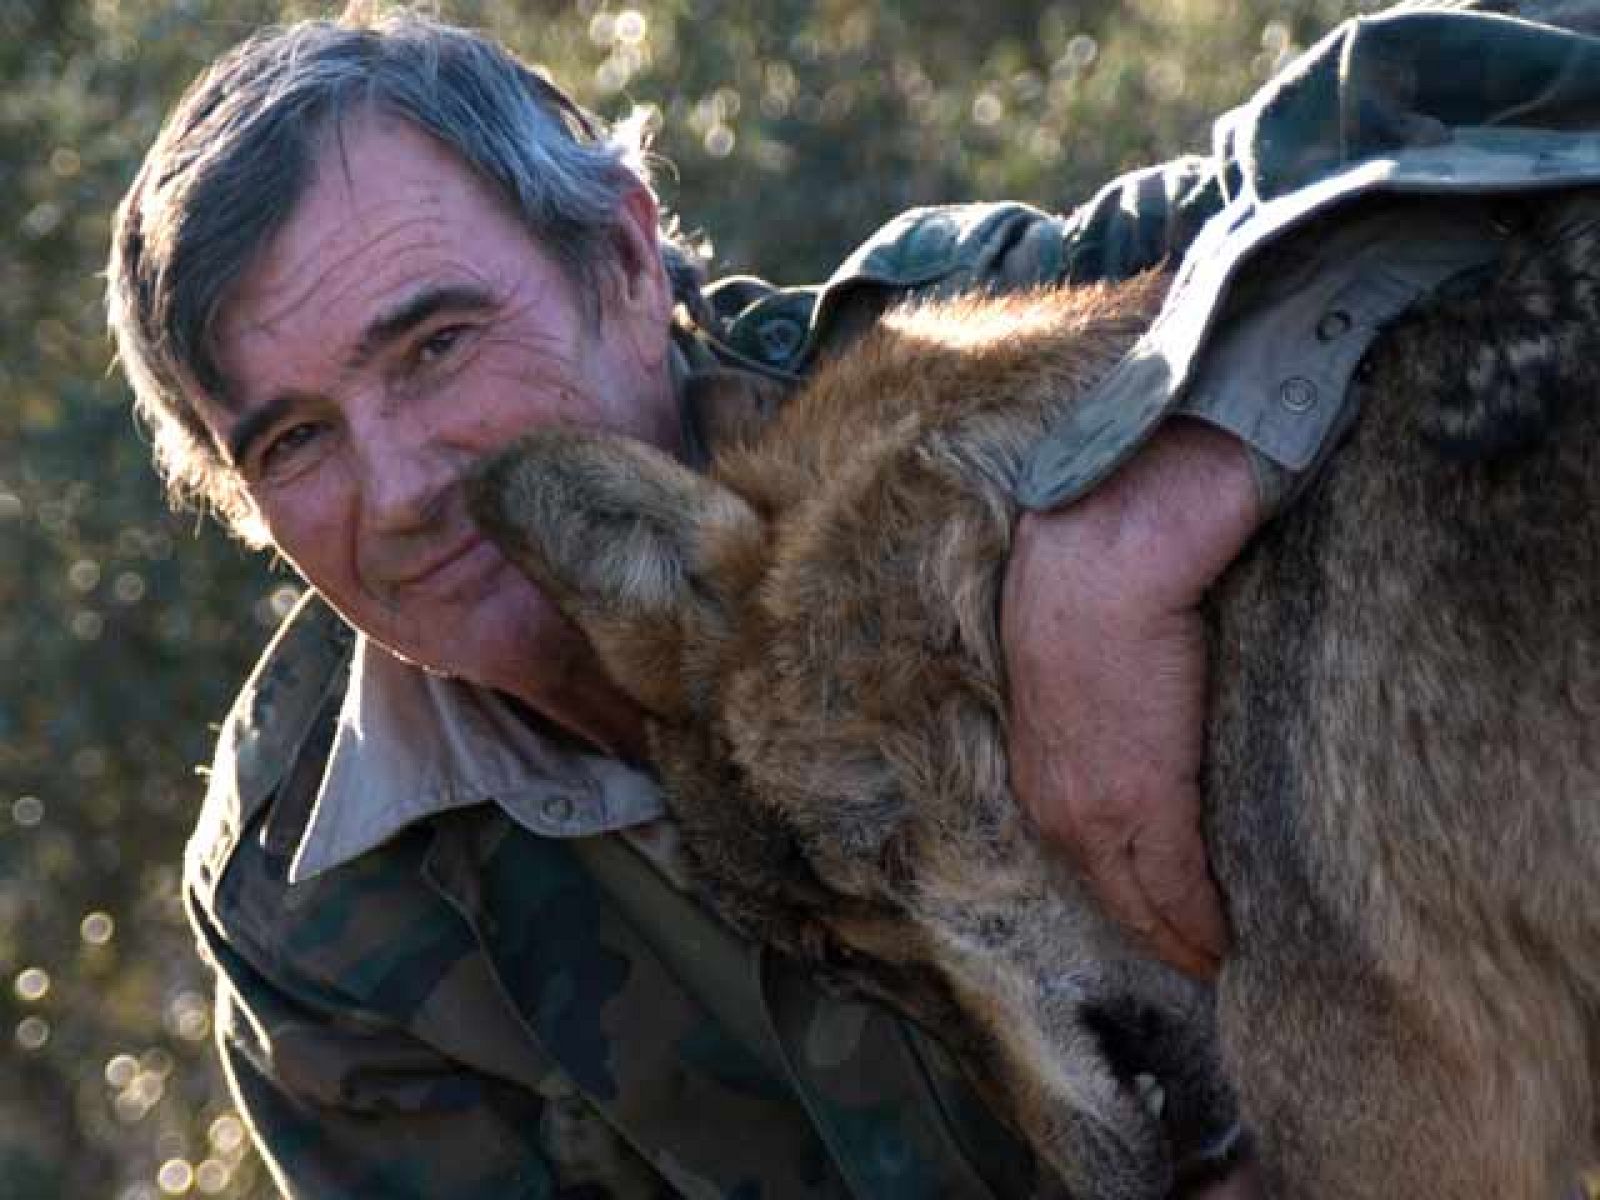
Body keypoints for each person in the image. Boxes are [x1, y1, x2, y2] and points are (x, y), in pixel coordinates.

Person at [125, 0, 1600, 1191]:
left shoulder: (955, 351)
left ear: (628, 259)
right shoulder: (305, 904)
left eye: (436, 345)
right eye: (293, 441)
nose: (398, 490)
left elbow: (1532, 62)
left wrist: (1175, 482)